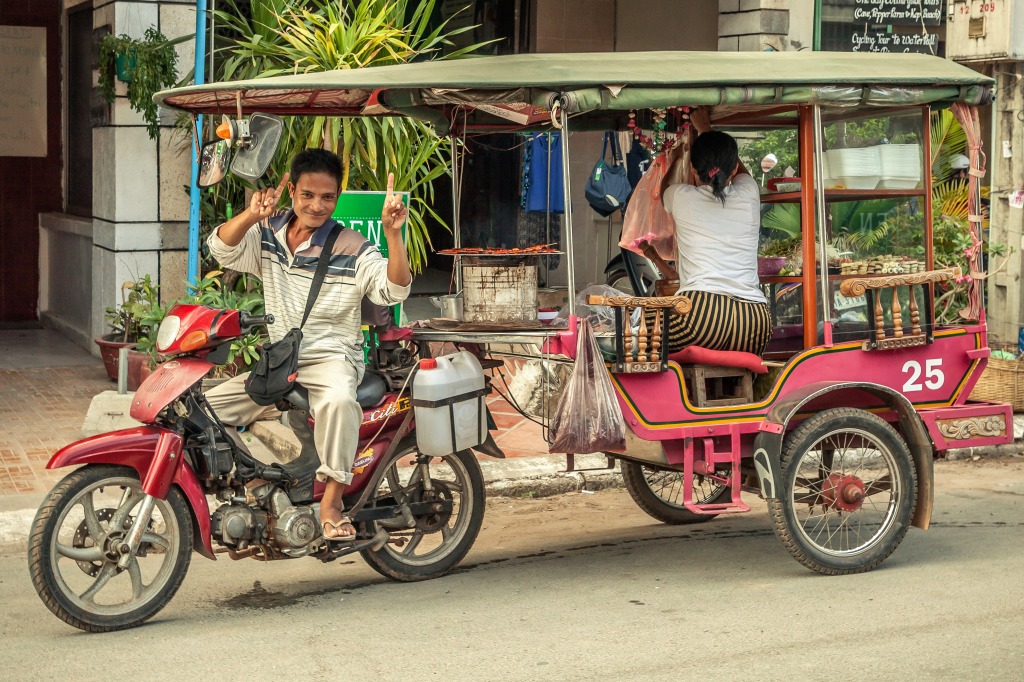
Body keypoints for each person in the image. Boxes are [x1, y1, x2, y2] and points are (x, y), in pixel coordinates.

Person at [204, 148, 412, 541]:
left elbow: (393, 288)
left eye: (327, 197)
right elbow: (221, 248)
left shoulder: (353, 246)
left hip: (333, 356)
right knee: (206, 409)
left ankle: (332, 501)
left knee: (337, 403)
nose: (317, 205)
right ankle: (256, 483)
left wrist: (393, 235)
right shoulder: (268, 234)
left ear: (337, 197)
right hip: (283, 358)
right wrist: (252, 215)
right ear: (293, 192)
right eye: (308, 195)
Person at [656, 119, 772, 356]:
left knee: (647, 326)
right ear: (733, 170)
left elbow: (663, 190)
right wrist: (706, 128)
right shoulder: (749, 193)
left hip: (701, 317)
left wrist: (678, 157)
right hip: (755, 322)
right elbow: (744, 173)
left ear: (692, 170)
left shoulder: (680, 196)